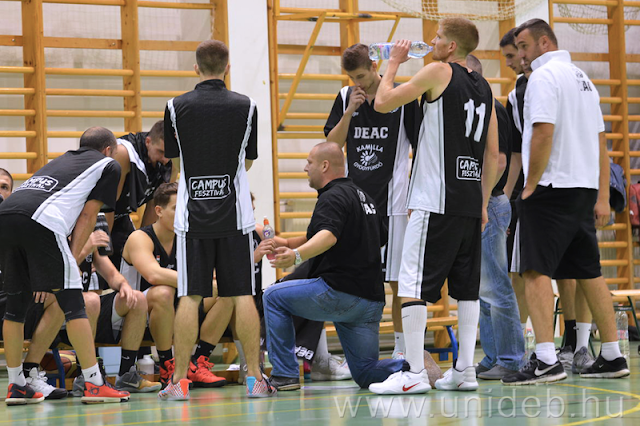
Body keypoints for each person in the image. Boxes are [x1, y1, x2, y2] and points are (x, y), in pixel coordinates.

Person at [367, 17, 499, 394]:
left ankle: (412, 374)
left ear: (451, 47)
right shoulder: (486, 87)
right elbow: (494, 156)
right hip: (470, 202)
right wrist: (484, 202)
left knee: (411, 283)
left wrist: (392, 63)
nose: (432, 41)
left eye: (438, 37)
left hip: (435, 198)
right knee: (466, 290)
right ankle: (465, 371)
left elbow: (383, 102)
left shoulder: (438, 70)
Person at [502, 19, 629, 385]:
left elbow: (542, 131)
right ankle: (611, 354)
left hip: (551, 188)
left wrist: (530, 185)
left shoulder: (542, 78)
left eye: (524, 46)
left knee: (534, 271)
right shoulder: (583, 79)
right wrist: (602, 194)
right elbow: (601, 142)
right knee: (589, 273)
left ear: (544, 42)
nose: (521, 55)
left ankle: (545, 359)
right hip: (583, 189)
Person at [160, 39, 273, 400]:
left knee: (190, 296)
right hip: (236, 216)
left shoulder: (175, 107)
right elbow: (249, 162)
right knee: (242, 294)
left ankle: (177, 383)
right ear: (227, 68)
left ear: (196, 68)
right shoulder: (248, 105)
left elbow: (176, 166)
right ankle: (255, 379)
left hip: (192, 219)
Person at [0, 127, 130, 405]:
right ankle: (95, 383)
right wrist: (70, 258)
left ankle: (16, 385)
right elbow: (88, 214)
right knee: (74, 302)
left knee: (16, 306)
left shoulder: (62, 160)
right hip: (43, 222)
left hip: (6, 217)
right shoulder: (109, 165)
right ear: (109, 150)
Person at [264, 142, 405, 390]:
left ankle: (285, 375)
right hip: (370, 301)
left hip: (339, 293)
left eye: (309, 162)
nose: (305, 168)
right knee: (365, 374)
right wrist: (285, 242)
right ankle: (411, 369)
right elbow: (377, 237)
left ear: (324, 165)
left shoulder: (331, 197)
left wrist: (296, 255)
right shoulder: (363, 197)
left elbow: (328, 236)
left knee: (274, 297)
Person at [501, 28, 595, 374]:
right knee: (531, 269)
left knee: (575, 270)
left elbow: (552, 134)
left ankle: (577, 344)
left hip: (566, 182)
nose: (514, 61)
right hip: (542, 186)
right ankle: (538, 348)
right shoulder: (518, 93)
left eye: (517, 52)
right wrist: (511, 194)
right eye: (512, 55)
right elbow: (518, 149)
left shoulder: (560, 78)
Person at [324, 43, 419, 360]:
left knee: (398, 283)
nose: (358, 82)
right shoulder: (344, 96)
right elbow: (332, 146)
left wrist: (416, 195)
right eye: (352, 77)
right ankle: (358, 353)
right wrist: (350, 110)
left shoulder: (404, 96)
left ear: (375, 65)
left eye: (362, 75)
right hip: (357, 208)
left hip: (394, 205)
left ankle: (402, 352)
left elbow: (420, 148)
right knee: (352, 282)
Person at [121, 182, 228, 388]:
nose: (184, 214)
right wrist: (201, 282)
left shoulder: (189, 238)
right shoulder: (140, 237)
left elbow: (210, 276)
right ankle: (167, 364)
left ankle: (198, 362)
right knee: (163, 291)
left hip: (180, 306)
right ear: (159, 211)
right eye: (177, 208)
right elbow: (153, 274)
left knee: (229, 293)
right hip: (136, 308)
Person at [464, 55, 524, 380]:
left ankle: (512, 359)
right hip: (487, 203)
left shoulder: (489, 106)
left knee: (497, 286)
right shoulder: (476, 107)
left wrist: (487, 202)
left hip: (488, 204)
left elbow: (500, 160)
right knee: (482, 287)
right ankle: (492, 356)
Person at [65, 225, 161, 395]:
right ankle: (84, 375)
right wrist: (86, 247)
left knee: (136, 298)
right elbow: (61, 271)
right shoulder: (58, 236)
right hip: (57, 311)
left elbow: (111, 274)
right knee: (90, 300)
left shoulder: (89, 242)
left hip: (86, 307)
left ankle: (127, 374)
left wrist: (124, 285)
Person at [106, 120, 174, 275]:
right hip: (94, 216)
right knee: (96, 273)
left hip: (121, 217)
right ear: (148, 142)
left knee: (136, 269)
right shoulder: (123, 154)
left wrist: (147, 242)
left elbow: (155, 206)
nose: (165, 159)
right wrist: (101, 249)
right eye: (161, 152)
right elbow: (107, 205)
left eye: (168, 154)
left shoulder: (169, 160)